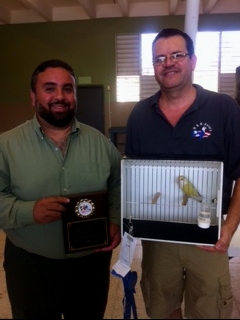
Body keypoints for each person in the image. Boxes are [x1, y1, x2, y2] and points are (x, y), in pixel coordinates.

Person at [125, 28, 240, 319]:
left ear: (193, 60)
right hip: (158, 239)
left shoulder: (224, 108)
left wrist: (229, 228)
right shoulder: (139, 115)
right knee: (163, 308)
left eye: (177, 54)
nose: (169, 62)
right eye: (160, 58)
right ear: (154, 66)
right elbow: (134, 178)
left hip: (209, 237)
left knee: (209, 309)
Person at [0, 59, 122, 319]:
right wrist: (28, 211)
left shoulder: (100, 143)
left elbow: (118, 185)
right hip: (30, 267)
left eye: (68, 89)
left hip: (90, 265)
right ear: (33, 96)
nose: (60, 96)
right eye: (50, 88)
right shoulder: (6, 146)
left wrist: (114, 220)